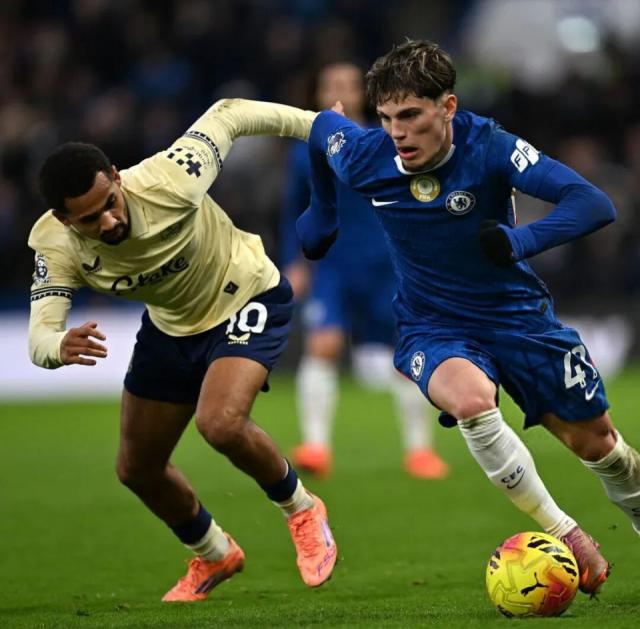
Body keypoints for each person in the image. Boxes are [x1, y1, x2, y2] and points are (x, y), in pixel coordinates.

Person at [297, 39, 640, 596]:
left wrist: (519, 241)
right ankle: (567, 534)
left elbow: (592, 203)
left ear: (448, 107)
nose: (397, 132)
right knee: (471, 401)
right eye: (386, 118)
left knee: (599, 447)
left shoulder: (491, 147)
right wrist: (322, 211)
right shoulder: (366, 153)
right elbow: (320, 131)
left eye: (411, 115)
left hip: (518, 318)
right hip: (432, 325)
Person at [28, 99, 337, 602]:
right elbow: (39, 337)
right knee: (136, 468)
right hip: (171, 326)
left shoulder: (171, 177)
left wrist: (323, 127)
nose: (108, 221)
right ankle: (214, 552)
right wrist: (58, 345)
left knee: (220, 423)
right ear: (63, 220)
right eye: (88, 219)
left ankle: (302, 510)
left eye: (110, 202)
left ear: (117, 177)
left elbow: (230, 113)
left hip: (246, 293)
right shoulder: (55, 246)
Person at [281, 62, 448, 479]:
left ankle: (420, 451)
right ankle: (316, 446)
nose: (340, 91)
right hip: (333, 268)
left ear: (364, 95)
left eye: (349, 85)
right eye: (331, 85)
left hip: (387, 267)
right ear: (319, 94)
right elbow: (293, 212)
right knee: (323, 345)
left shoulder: (388, 142)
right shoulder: (305, 151)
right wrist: (294, 262)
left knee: (406, 354)